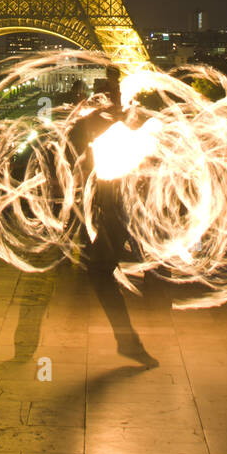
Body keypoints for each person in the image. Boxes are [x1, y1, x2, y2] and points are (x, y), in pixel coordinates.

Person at [69, 67, 158, 368]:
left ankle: (129, 340)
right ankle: (129, 340)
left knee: (102, 273)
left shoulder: (98, 129)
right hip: (106, 208)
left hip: (109, 206)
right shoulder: (101, 129)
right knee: (104, 272)